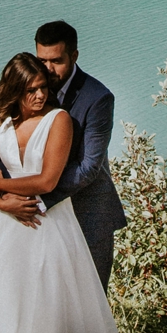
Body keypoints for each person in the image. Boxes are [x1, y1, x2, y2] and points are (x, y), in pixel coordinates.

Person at [0, 52, 121, 333]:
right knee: (7, 302)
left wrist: (1, 185)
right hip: (9, 225)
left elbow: (48, 181)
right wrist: (2, 202)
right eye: (30, 90)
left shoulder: (58, 120)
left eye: (43, 88)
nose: (39, 95)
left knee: (52, 303)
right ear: (14, 91)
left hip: (52, 224)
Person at [33, 20, 128, 291]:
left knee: (90, 304)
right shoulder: (32, 93)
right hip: (44, 218)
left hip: (89, 216)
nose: (48, 69)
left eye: (56, 61)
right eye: (42, 60)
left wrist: (37, 195)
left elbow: (89, 168)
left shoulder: (98, 98)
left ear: (74, 56)